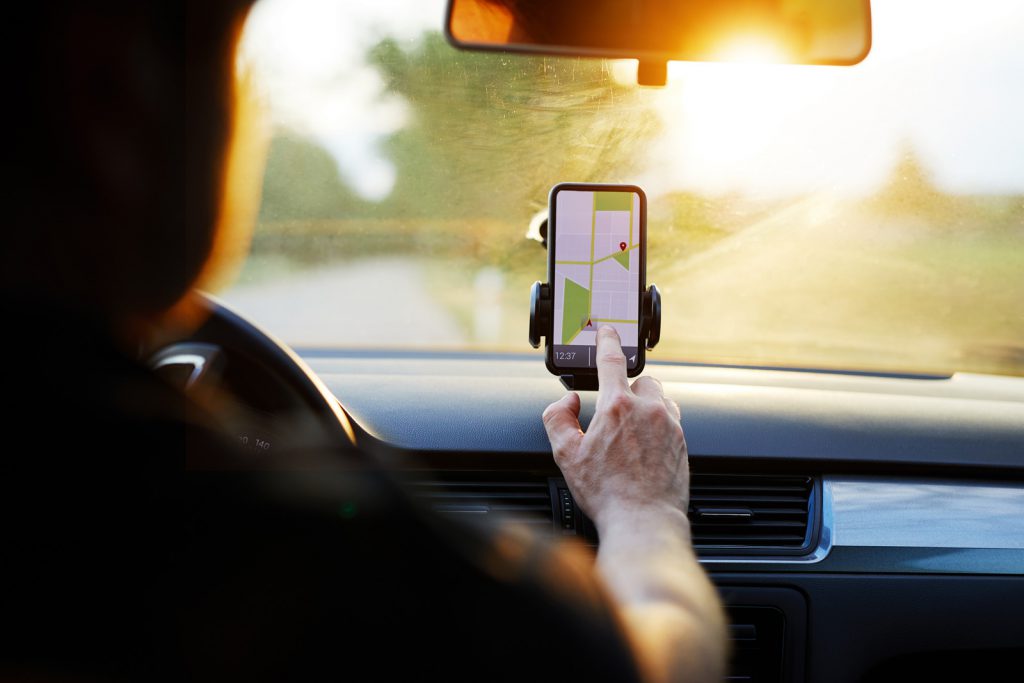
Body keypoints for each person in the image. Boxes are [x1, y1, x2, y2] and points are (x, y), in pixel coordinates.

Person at [3, 1, 726, 681]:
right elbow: (657, 661)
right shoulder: (295, 554)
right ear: (108, 96)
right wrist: (644, 512)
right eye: (237, 68)